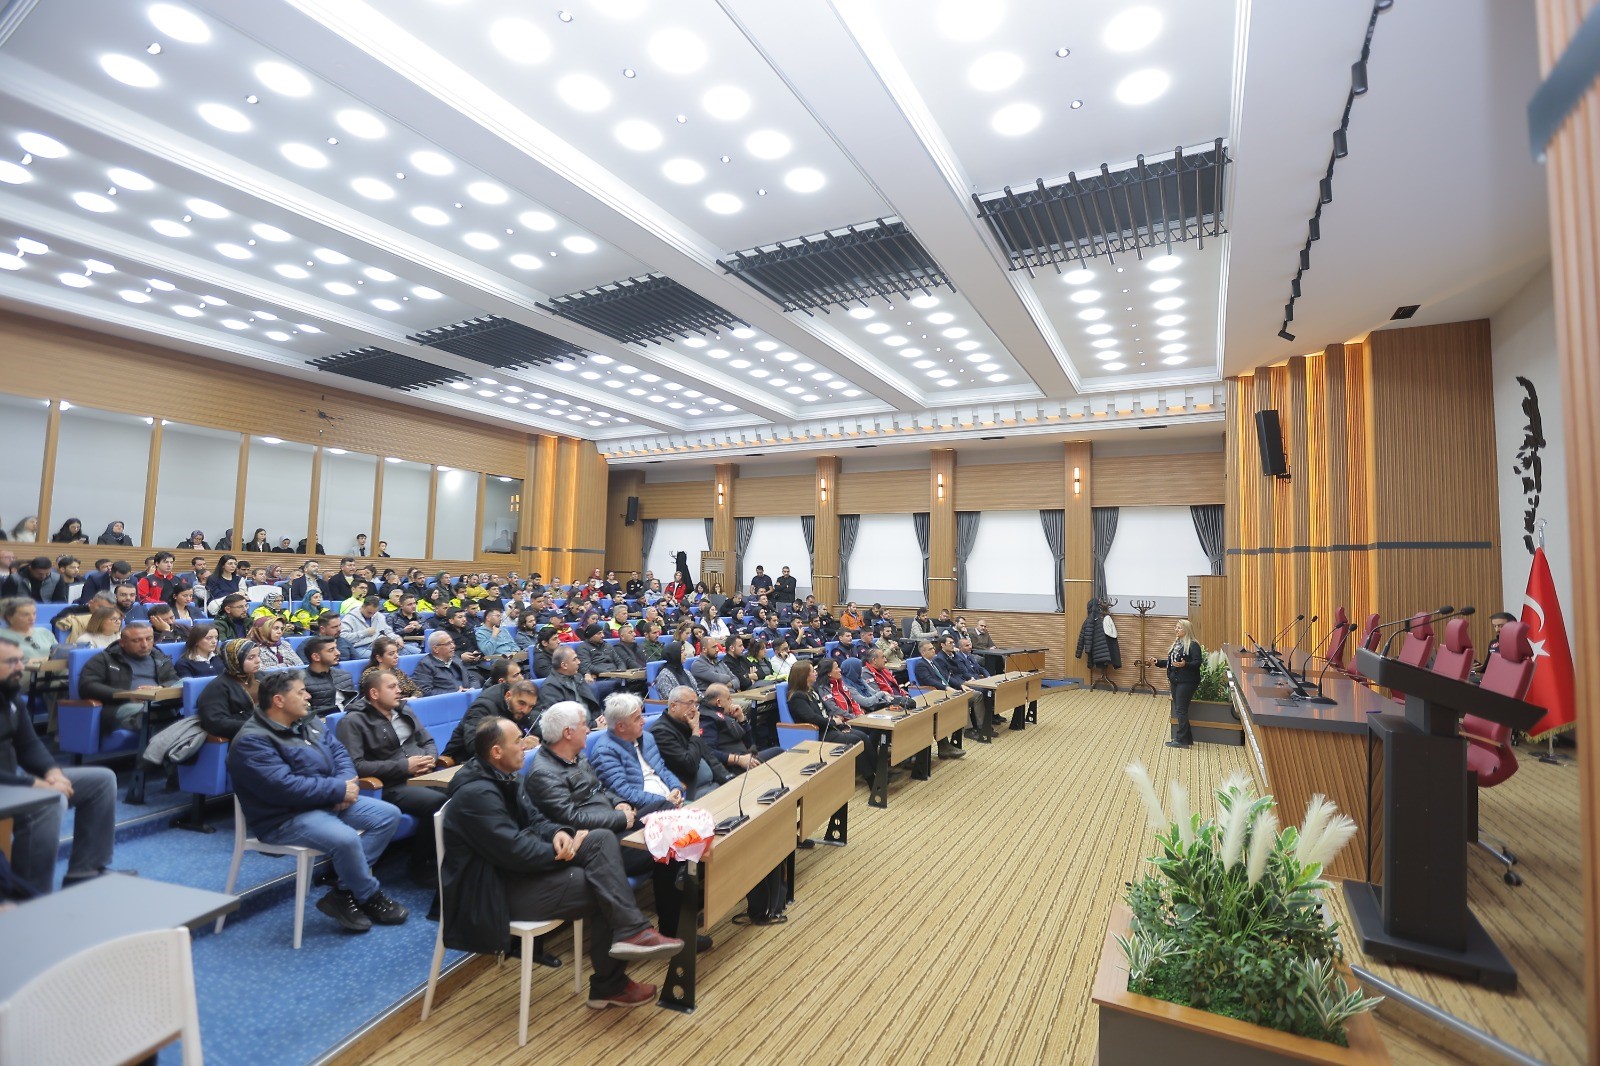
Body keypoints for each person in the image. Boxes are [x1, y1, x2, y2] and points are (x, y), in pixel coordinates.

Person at [442, 716, 683, 1008]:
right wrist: (559, 852)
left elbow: (537, 820)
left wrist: (559, 833)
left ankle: (631, 933)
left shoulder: (506, 777)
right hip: (494, 891)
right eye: (518, 741)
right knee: (605, 884)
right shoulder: (476, 795)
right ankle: (611, 982)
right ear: (496, 752)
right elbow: (515, 852)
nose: (525, 746)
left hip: (519, 873)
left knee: (601, 839)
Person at [230, 671, 407, 933]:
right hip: (284, 817)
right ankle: (369, 894)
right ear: (279, 700)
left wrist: (345, 785)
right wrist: (337, 791)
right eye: (301, 692)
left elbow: (340, 753)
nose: (308, 696)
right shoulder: (252, 741)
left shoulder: (308, 720)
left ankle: (343, 892)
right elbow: (283, 787)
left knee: (388, 815)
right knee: (346, 839)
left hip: (325, 801)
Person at [522, 701, 700, 946]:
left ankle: (688, 890)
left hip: (613, 823)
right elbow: (571, 819)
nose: (589, 729)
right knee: (670, 845)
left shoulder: (575, 757)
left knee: (666, 809)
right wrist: (620, 818)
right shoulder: (544, 773)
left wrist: (618, 803)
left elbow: (601, 788)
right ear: (568, 733)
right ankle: (676, 928)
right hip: (597, 843)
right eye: (584, 725)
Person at [0, 635, 119, 893]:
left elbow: (29, 744)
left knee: (101, 781)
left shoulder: (10, 698)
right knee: (50, 801)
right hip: (8, 786)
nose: (20, 667)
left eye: (20, 660)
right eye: (11, 662)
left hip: (13, 783)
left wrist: (52, 772)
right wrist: (33, 784)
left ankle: (85, 871)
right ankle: (30, 894)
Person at [336, 667, 445, 881]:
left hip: (422, 774)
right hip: (390, 785)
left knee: (462, 788)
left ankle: (452, 855)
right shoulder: (353, 721)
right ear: (374, 693)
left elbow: (427, 741)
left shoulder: (404, 710)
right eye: (392, 687)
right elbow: (356, 766)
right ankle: (421, 864)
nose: (399, 690)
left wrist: (430, 759)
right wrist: (404, 767)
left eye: (398, 686)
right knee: (438, 803)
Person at [587, 693, 684, 814]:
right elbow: (624, 792)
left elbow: (662, 769)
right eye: (637, 718)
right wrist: (665, 801)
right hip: (646, 811)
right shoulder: (604, 752)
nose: (643, 721)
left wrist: (676, 788)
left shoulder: (647, 737)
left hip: (670, 801)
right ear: (621, 726)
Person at [78, 621, 180, 734]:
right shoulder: (105, 659)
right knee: (156, 712)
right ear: (122, 642)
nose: (145, 645)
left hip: (159, 701)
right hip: (123, 705)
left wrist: (160, 689)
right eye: (136, 640)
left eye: (149, 639)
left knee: (186, 683)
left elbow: (174, 680)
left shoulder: (160, 658)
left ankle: (148, 716)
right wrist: (128, 695)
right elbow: (87, 686)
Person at [784, 661, 873, 778]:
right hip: (818, 733)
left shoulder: (812, 690)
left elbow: (825, 711)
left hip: (829, 727)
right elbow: (812, 718)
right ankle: (871, 778)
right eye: (812, 671)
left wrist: (839, 724)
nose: (816, 673)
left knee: (862, 736)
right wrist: (833, 722)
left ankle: (877, 773)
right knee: (855, 740)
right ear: (804, 676)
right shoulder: (797, 697)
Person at [441, 678, 540, 763]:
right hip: (461, 762)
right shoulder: (482, 707)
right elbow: (474, 746)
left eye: (531, 706)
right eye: (521, 703)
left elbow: (535, 730)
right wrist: (517, 745)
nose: (525, 710)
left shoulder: (521, 709)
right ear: (508, 696)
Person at [698, 683, 783, 769]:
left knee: (778, 751)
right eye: (728, 698)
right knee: (778, 752)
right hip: (735, 765)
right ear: (719, 702)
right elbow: (708, 751)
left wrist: (741, 719)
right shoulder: (707, 719)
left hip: (746, 757)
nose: (731, 701)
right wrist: (738, 759)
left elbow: (750, 744)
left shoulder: (723, 713)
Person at [196, 639, 261, 740]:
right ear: (235, 660)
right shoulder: (218, 687)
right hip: (245, 737)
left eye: (258, 655)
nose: (258, 660)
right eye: (250, 658)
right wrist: (257, 726)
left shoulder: (263, 678)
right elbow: (216, 723)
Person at [1158, 620, 1203, 750]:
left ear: (1186, 630)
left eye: (1179, 628)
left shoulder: (1193, 645)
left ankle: (1181, 740)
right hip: (1176, 680)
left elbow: (1197, 662)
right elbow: (1172, 662)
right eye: (1176, 627)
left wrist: (1185, 664)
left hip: (1187, 681)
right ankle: (1186, 739)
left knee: (1181, 710)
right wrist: (1157, 662)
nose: (1176, 630)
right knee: (1180, 709)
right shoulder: (1177, 644)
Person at [537, 646, 602, 724]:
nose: (579, 662)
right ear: (564, 665)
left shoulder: (578, 678)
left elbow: (592, 705)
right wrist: (594, 724)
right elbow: (561, 721)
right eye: (574, 659)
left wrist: (600, 719)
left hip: (593, 725)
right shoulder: (549, 688)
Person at [301, 635, 355, 716]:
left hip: (349, 718)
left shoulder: (344, 676)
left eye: (336, 648)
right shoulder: (301, 681)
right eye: (331, 650)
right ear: (316, 657)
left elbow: (354, 704)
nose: (338, 653)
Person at [411, 631, 473, 695]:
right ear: (435, 649)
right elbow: (424, 691)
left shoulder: (455, 658)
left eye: (452, 642)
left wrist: (472, 689)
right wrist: (454, 694)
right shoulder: (425, 665)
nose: (453, 646)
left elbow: (472, 678)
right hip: (448, 699)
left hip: (468, 695)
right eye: (448, 644)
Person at [0, 596, 57, 662]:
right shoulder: (2, 635)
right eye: (26, 615)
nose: (32, 618)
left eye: (34, 613)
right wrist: (33, 661)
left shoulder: (44, 632)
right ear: (9, 618)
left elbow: (59, 654)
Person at [340, 596, 394, 660]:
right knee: (381, 657)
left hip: (377, 645)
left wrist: (396, 638)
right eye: (369, 612)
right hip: (358, 647)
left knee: (398, 653)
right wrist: (365, 632)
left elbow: (388, 631)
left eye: (374, 613)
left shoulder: (379, 616)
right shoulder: (349, 618)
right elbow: (343, 638)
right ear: (363, 606)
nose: (371, 615)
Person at [2, 556, 66, 602]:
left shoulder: (57, 578)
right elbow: (7, 601)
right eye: (39, 574)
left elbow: (60, 601)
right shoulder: (14, 579)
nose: (43, 576)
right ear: (30, 569)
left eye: (47, 574)